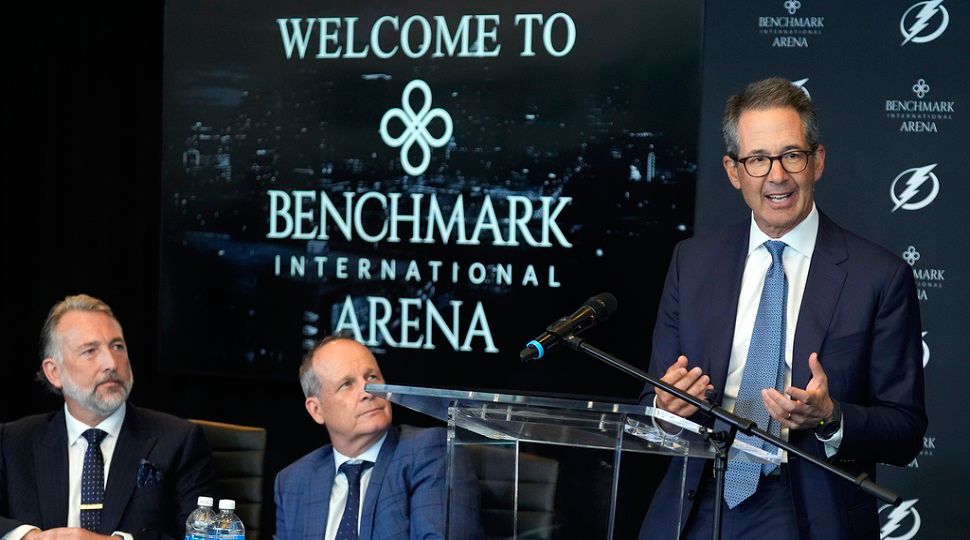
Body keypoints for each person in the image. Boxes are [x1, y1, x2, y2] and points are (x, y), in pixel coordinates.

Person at [639, 78, 926, 540]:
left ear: (817, 162)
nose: (777, 175)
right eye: (757, 159)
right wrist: (664, 406)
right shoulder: (692, 262)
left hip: (805, 504)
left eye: (791, 155)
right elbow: (650, 400)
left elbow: (906, 429)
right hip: (693, 500)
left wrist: (831, 416)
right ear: (734, 171)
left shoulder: (879, 276)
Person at [0, 294, 215, 540]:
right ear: (54, 372)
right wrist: (29, 537)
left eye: (117, 346)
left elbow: (204, 536)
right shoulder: (14, 441)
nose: (111, 363)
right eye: (90, 351)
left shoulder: (180, 441)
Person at [274, 335, 480, 540]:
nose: (368, 392)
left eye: (372, 377)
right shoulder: (293, 481)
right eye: (346, 384)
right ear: (316, 410)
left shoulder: (428, 451)